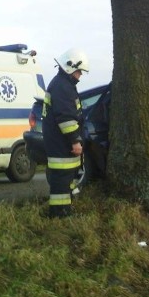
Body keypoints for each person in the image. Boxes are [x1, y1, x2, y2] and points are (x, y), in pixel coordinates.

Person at [43, 48, 89, 218]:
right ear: (70, 67)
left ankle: (62, 213)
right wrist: (75, 141)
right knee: (61, 184)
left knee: (64, 182)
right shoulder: (63, 87)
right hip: (62, 146)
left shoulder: (61, 84)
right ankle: (60, 216)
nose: (80, 75)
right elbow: (66, 118)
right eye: (79, 71)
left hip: (59, 144)